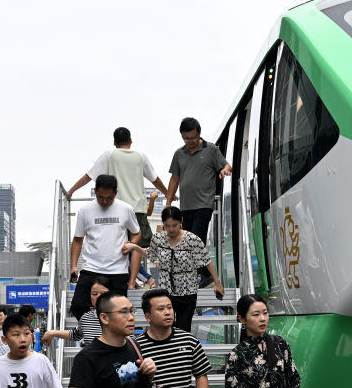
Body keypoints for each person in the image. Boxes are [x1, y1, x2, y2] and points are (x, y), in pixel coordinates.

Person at [123, 206, 223, 332]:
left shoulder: (192, 239)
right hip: (166, 290)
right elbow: (149, 253)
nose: (171, 229)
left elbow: (207, 261)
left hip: (187, 290)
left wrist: (217, 283)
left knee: (183, 328)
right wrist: (134, 247)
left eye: (174, 225)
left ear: (181, 221)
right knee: (166, 327)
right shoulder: (158, 238)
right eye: (167, 226)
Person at [66, 127, 168, 250]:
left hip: (116, 210)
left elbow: (89, 176)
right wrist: (168, 194)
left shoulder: (109, 155)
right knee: (136, 249)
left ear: (114, 142)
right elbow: (155, 179)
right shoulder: (141, 156)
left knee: (118, 247)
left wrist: (71, 191)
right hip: (138, 210)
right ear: (131, 141)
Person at [164, 117, 232, 285]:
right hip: (186, 207)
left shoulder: (211, 149)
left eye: (193, 138)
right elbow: (174, 179)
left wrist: (224, 170)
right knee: (187, 241)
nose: (190, 141)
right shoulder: (179, 153)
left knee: (195, 239)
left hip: (204, 204)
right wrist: (168, 203)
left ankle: (204, 274)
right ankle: (203, 274)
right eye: (186, 138)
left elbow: (227, 165)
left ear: (199, 134)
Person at [69, 174, 141, 321]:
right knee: (78, 305)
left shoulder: (126, 209)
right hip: (91, 268)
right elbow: (77, 239)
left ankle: (107, 332)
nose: (105, 201)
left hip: (117, 270)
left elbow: (137, 232)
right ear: (95, 191)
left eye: (109, 198)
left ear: (116, 193)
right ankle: (95, 330)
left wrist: (131, 244)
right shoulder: (85, 210)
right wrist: (74, 266)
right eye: (101, 197)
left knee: (118, 311)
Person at [42, 278, 109, 348]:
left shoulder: (116, 317)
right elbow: (75, 334)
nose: (98, 297)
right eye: (94, 294)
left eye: (103, 294)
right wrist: (52, 333)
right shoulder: (86, 317)